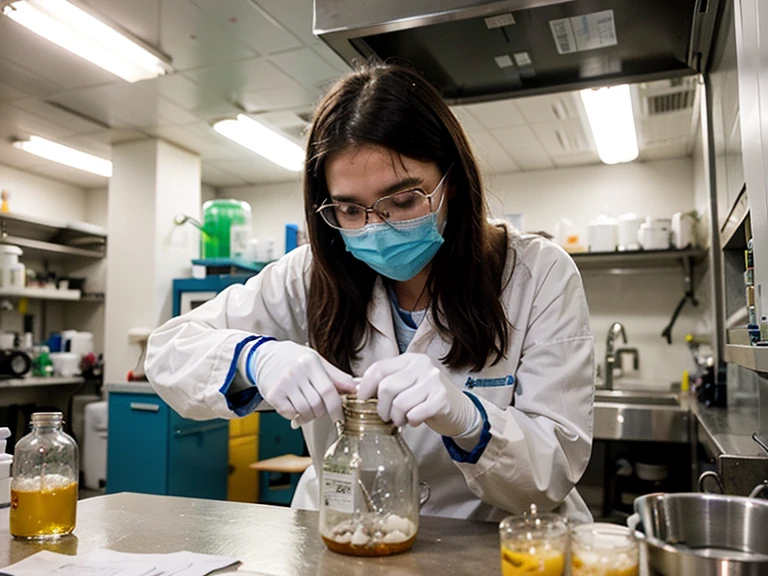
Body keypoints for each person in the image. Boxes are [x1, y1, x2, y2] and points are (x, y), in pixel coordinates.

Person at [146, 62, 595, 522]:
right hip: (349, 530)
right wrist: (254, 358)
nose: (375, 227)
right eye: (350, 209)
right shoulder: (310, 274)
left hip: (492, 540)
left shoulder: (537, 273)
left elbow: (554, 469)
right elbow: (168, 352)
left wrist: (471, 420)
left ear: (452, 181)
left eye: (403, 200)